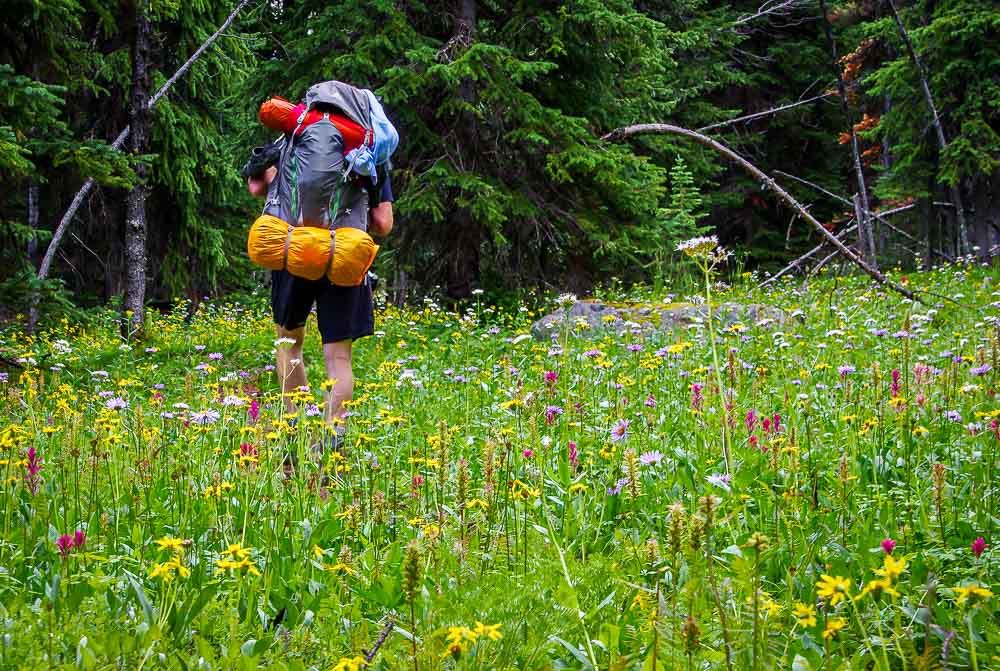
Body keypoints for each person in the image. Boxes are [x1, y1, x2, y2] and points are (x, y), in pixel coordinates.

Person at [242, 140, 394, 451]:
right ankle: (333, 443)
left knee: (289, 344)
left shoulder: (293, 140)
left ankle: (294, 432)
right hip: (345, 254)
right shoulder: (368, 150)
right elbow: (383, 224)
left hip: (294, 252)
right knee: (338, 357)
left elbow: (255, 188)